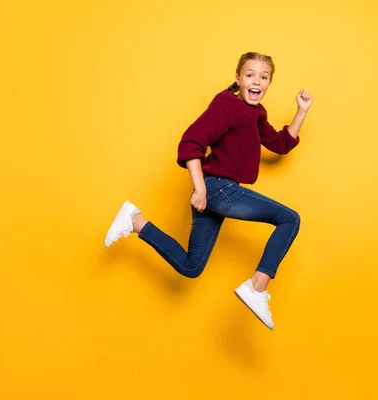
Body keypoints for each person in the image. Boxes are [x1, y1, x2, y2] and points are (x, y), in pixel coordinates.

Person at [104, 52, 312, 329]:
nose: (256, 81)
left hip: (218, 192)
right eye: (250, 74)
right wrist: (200, 188)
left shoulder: (257, 114)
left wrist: (302, 111)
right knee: (290, 219)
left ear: (269, 84)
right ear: (238, 78)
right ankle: (258, 288)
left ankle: (135, 220)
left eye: (264, 77)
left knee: (191, 267)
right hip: (216, 189)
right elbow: (192, 141)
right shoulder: (226, 103)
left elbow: (280, 144)